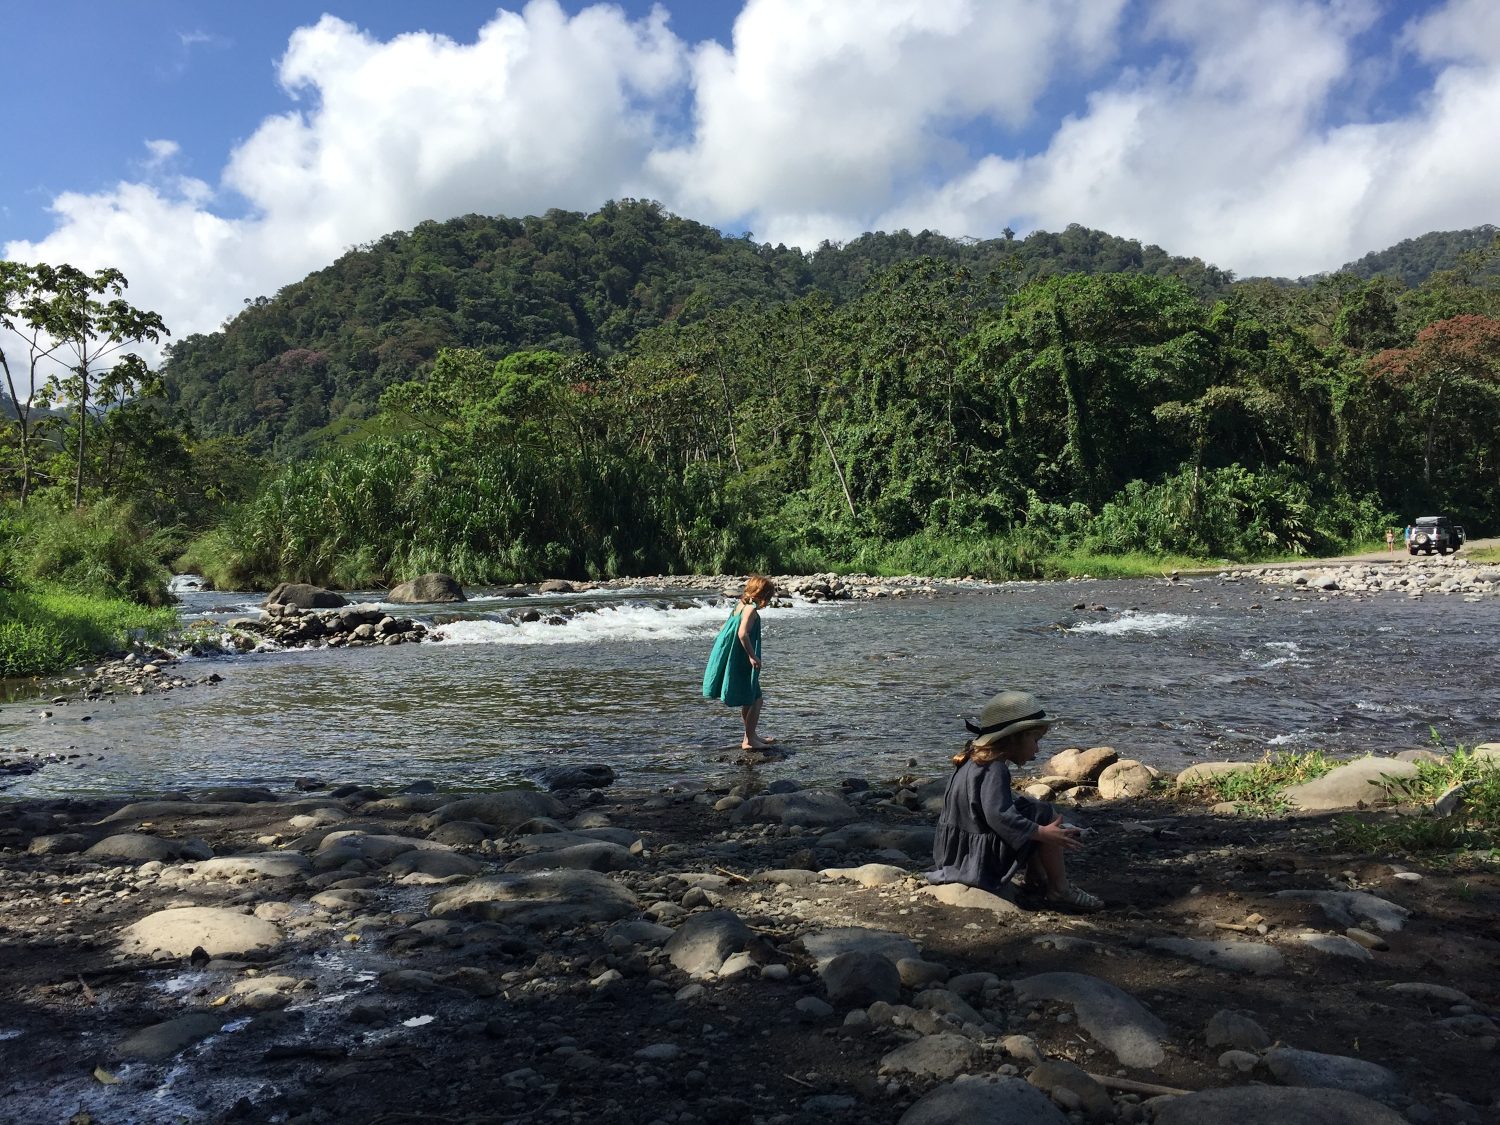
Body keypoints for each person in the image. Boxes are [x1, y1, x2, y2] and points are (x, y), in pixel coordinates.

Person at [928, 689, 1102, 910]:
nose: (1038, 749)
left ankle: (1036, 878)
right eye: (1036, 740)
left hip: (953, 855)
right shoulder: (995, 769)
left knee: (1034, 809)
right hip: (975, 862)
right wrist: (1041, 833)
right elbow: (998, 815)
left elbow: (987, 810)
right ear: (1015, 738)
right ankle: (1060, 888)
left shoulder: (973, 760)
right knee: (1046, 817)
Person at [702, 575, 776, 749]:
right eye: (768, 597)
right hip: (743, 657)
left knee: (749, 698)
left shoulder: (740, 605)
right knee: (757, 700)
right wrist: (752, 656)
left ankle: (751, 735)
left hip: (737, 655)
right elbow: (742, 633)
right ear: (762, 595)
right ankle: (749, 740)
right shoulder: (750, 609)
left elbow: (725, 628)